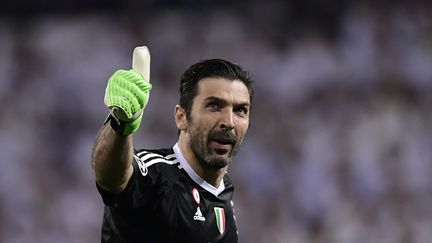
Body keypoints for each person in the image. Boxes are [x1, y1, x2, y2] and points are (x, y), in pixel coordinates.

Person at [91, 57, 254, 243]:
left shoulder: (223, 191)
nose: (229, 122)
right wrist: (121, 124)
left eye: (240, 110)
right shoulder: (156, 176)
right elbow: (112, 178)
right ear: (181, 117)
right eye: (214, 106)